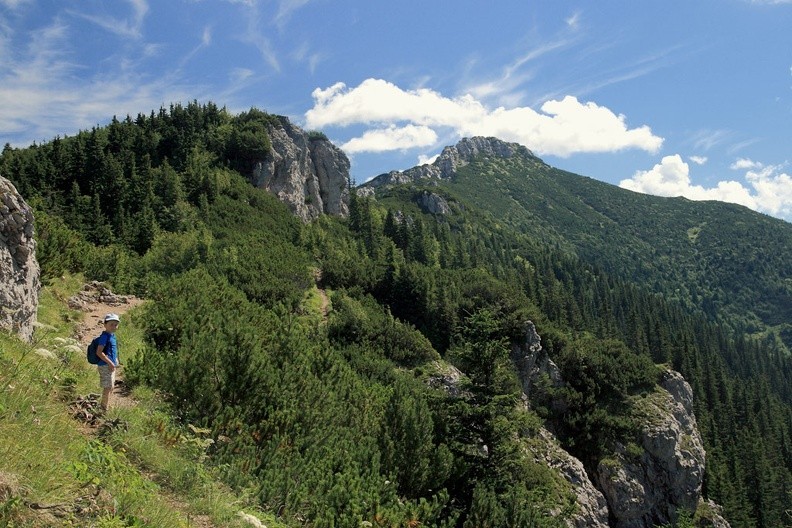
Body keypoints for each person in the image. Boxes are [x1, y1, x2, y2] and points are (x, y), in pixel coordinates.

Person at [95, 313, 120, 412]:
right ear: (105, 325)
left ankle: (105, 405)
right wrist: (110, 362)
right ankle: (103, 409)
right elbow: (99, 352)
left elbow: (112, 350)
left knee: (111, 386)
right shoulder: (104, 337)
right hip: (105, 365)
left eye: (116, 324)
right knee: (107, 387)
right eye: (111, 324)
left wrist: (115, 360)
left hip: (110, 365)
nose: (114, 327)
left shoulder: (112, 336)